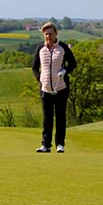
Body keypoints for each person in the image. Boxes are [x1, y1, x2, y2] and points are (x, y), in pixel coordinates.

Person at [32, 22, 76, 153]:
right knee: (47, 118)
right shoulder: (40, 48)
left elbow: (73, 64)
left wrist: (65, 71)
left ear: (56, 34)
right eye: (46, 34)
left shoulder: (62, 47)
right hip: (45, 88)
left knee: (60, 116)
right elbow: (34, 67)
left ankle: (60, 144)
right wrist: (39, 78)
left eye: (50, 34)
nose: (48, 36)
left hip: (61, 87)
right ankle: (46, 144)